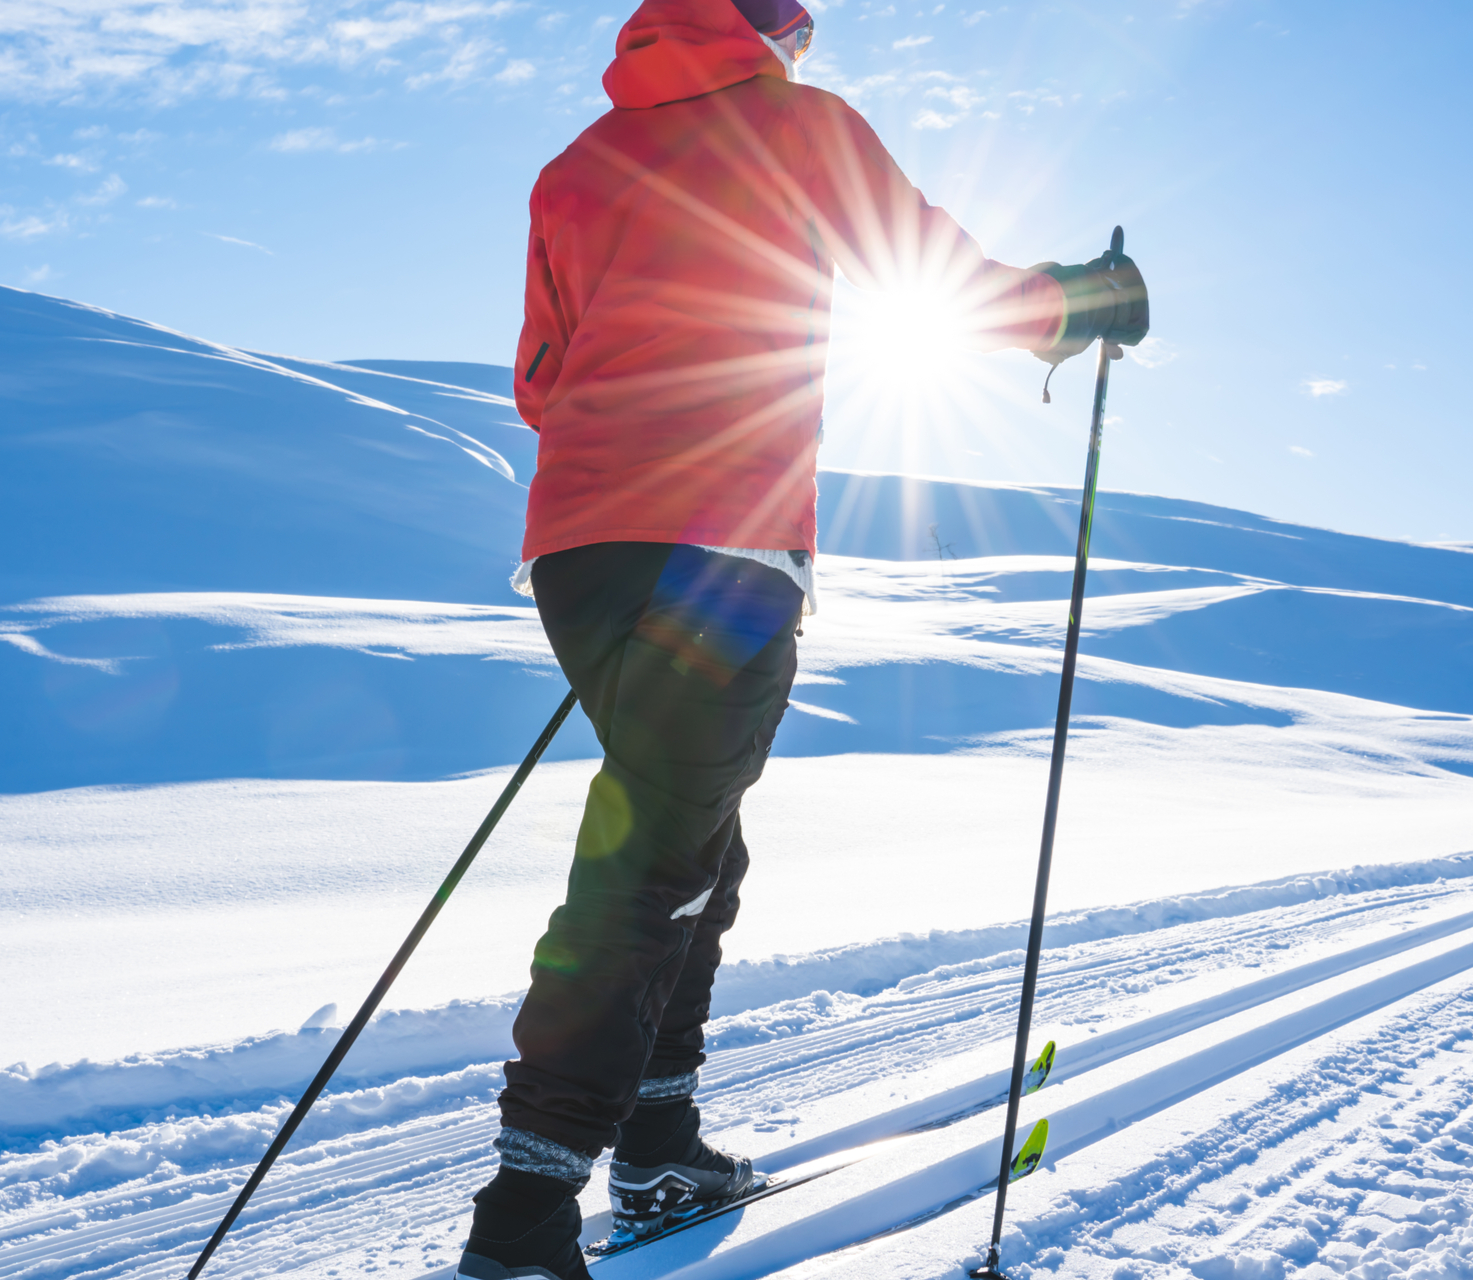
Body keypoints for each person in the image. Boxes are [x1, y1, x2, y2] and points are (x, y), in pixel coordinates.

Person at [455, 0, 1146, 1272]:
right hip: (721, 550)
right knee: (653, 867)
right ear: (767, 24)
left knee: (690, 844)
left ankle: (659, 1146)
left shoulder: (575, 166)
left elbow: (542, 378)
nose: (800, 46)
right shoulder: (795, 124)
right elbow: (938, 286)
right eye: (797, 25)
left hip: (579, 551)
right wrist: (1084, 300)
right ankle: (522, 1220)